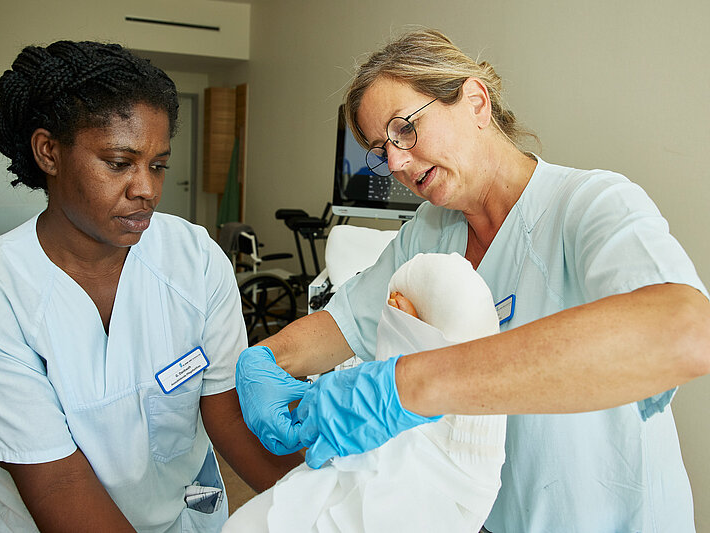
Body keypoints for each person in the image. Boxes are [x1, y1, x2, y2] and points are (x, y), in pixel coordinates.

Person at [235, 29, 710, 532]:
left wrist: (414, 386)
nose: (395, 162)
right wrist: (262, 362)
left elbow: (683, 333)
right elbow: (341, 326)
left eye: (405, 130)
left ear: (476, 101)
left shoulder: (589, 205)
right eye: (381, 150)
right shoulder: (427, 234)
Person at [0, 41, 300, 532]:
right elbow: (60, 485)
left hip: (189, 513)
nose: (146, 188)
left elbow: (226, 412)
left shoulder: (194, 259)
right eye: (119, 162)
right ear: (49, 152)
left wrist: (320, 503)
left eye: (158, 165)